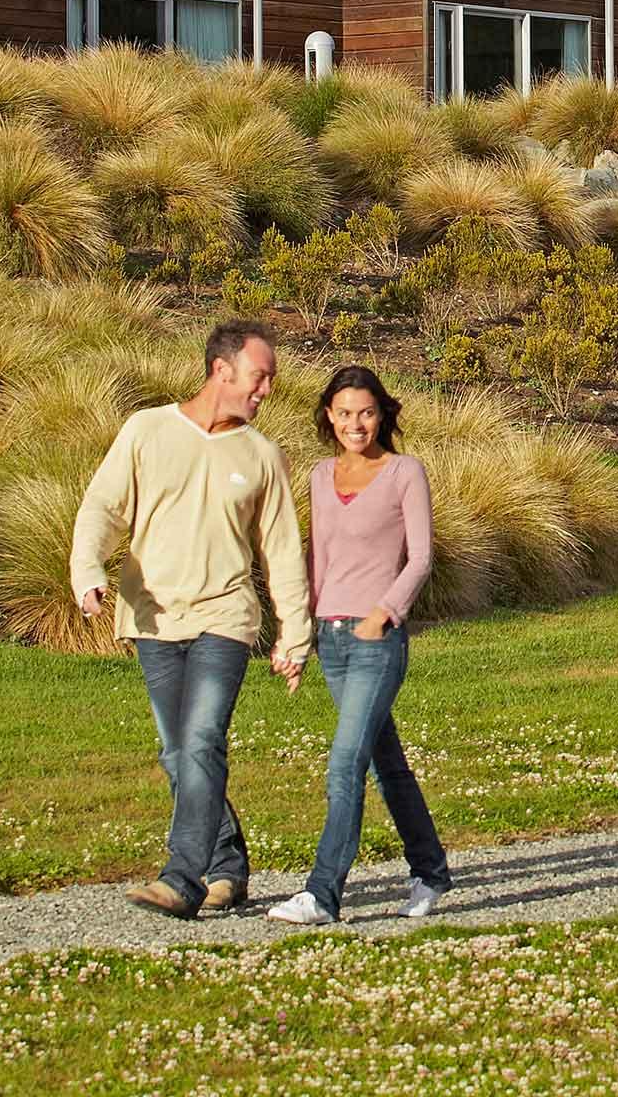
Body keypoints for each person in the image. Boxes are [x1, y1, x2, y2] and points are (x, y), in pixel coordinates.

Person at [71, 317, 313, 920]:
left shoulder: (263, 456)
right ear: (221, 369)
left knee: (202, 739)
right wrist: (87, 571)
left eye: (271, 381)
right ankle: (229, 866)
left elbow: (281, 550)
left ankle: (183, 878)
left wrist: (295, 634)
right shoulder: (146, 430)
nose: (266, 391)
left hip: (225, 619)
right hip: (152, 619)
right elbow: (103, 504)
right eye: (259, 378)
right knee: (179, 752)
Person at [266, 365, 453, 924]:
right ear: (329, 415)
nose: (356, 423)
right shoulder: (321, 477)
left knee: (344, 763)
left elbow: (420, 557)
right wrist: (298, 639)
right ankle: (431, 872)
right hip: (332, 639)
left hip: (378, 640)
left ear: (382, 415)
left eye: (366, 412)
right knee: (383, 764)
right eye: (345, 413)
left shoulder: (404, 473)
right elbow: (315, 561)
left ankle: (322, 894)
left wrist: (383, 613)